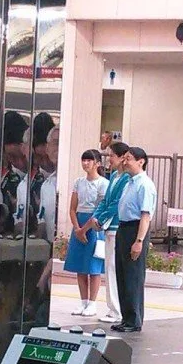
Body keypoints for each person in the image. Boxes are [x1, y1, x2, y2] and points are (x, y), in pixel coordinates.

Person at [76, 142, 131, 323]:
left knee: (113, 268)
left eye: (112, 156)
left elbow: (116, 204)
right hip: (105, 226)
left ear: (122, 157)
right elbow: (105, 201)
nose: (110, 160)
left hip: (115, 227)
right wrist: (96, 218)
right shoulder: (115, 175)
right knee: (109, 268)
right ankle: (112, 308)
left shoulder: (125, 179)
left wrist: (100, 219)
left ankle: (117, 310)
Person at [112, 147, 156, 333]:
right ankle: (126, 317)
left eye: (129, 158)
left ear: (141, 161)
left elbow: (145, 215)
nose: (125, 161)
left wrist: (139, 241)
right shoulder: (129, 182)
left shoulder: (144, 184)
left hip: (135, 229)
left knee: (133, 276)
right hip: (123, 228)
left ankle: (134, 319)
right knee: (122, 274)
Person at [64, 149, 109, 317]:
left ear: (97, 163)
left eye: (89, 160)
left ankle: (92, 303)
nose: (85, 163)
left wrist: (85, 229)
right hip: (79, 223)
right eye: (83, 160)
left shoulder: (103, 183)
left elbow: (100, 209)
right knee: (80, 266)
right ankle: (83, 301)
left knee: (93, 267)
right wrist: (77, 228)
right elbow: (72, 208)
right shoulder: (78, 182)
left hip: (94, 225)